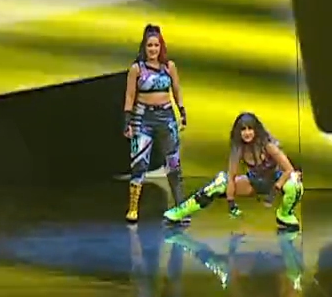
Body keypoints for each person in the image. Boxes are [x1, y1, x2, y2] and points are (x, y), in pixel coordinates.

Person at [162, 112, 303, 230]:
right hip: (253, 182)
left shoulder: (268, 145)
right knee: (219, 182)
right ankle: (179, 213)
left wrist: (274, 191)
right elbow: (231, 176)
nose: (247, 133)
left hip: (275, 181)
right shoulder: (238, 148)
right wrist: (231, 203)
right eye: (243, 129)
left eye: (250, 129)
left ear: (256, 130)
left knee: (295, 183)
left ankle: (285, 215)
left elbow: (289, 169)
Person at [123, 24, 186, 223]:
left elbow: (176, 89)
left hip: (166, 117)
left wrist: (181, 111)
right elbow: (130, 96)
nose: (153, 49)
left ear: (161, 47)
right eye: (149, 45)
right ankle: (133, 208)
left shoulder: (169, 67)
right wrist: (127, 121)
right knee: (139, 163)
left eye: (156, 45)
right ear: (144, 47)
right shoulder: (136, 69)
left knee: (173, 163)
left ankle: (181, 206)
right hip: (142, 119)